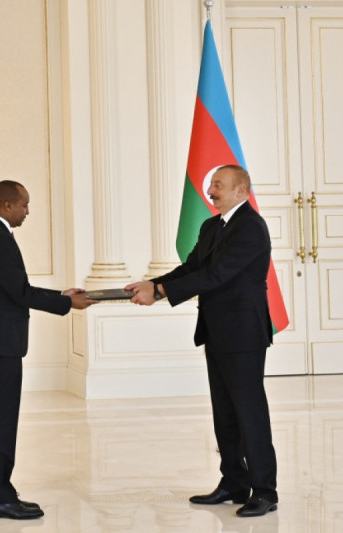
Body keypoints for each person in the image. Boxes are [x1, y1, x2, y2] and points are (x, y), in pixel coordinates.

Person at [126, 165, 278, 517]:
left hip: (243, 333)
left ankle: (265, 491)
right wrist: (153, 284)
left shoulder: (251, 227)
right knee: (224, 413)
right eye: (211, 185)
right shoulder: (212, 226)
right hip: (217, 329)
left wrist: (160, 291)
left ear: (241, 190)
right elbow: (192, 268)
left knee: (249, 413)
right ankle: (234, 482)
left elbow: (217, 275)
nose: (210, 191)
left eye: (218, 185)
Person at [0, 180, 97, 520]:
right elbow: (20, 293)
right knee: (1, 419)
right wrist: (66, 304)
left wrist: (61, 296)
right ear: (7, 205)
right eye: (24, 205)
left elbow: (15, 289)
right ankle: (0, 496)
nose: (27, 211)